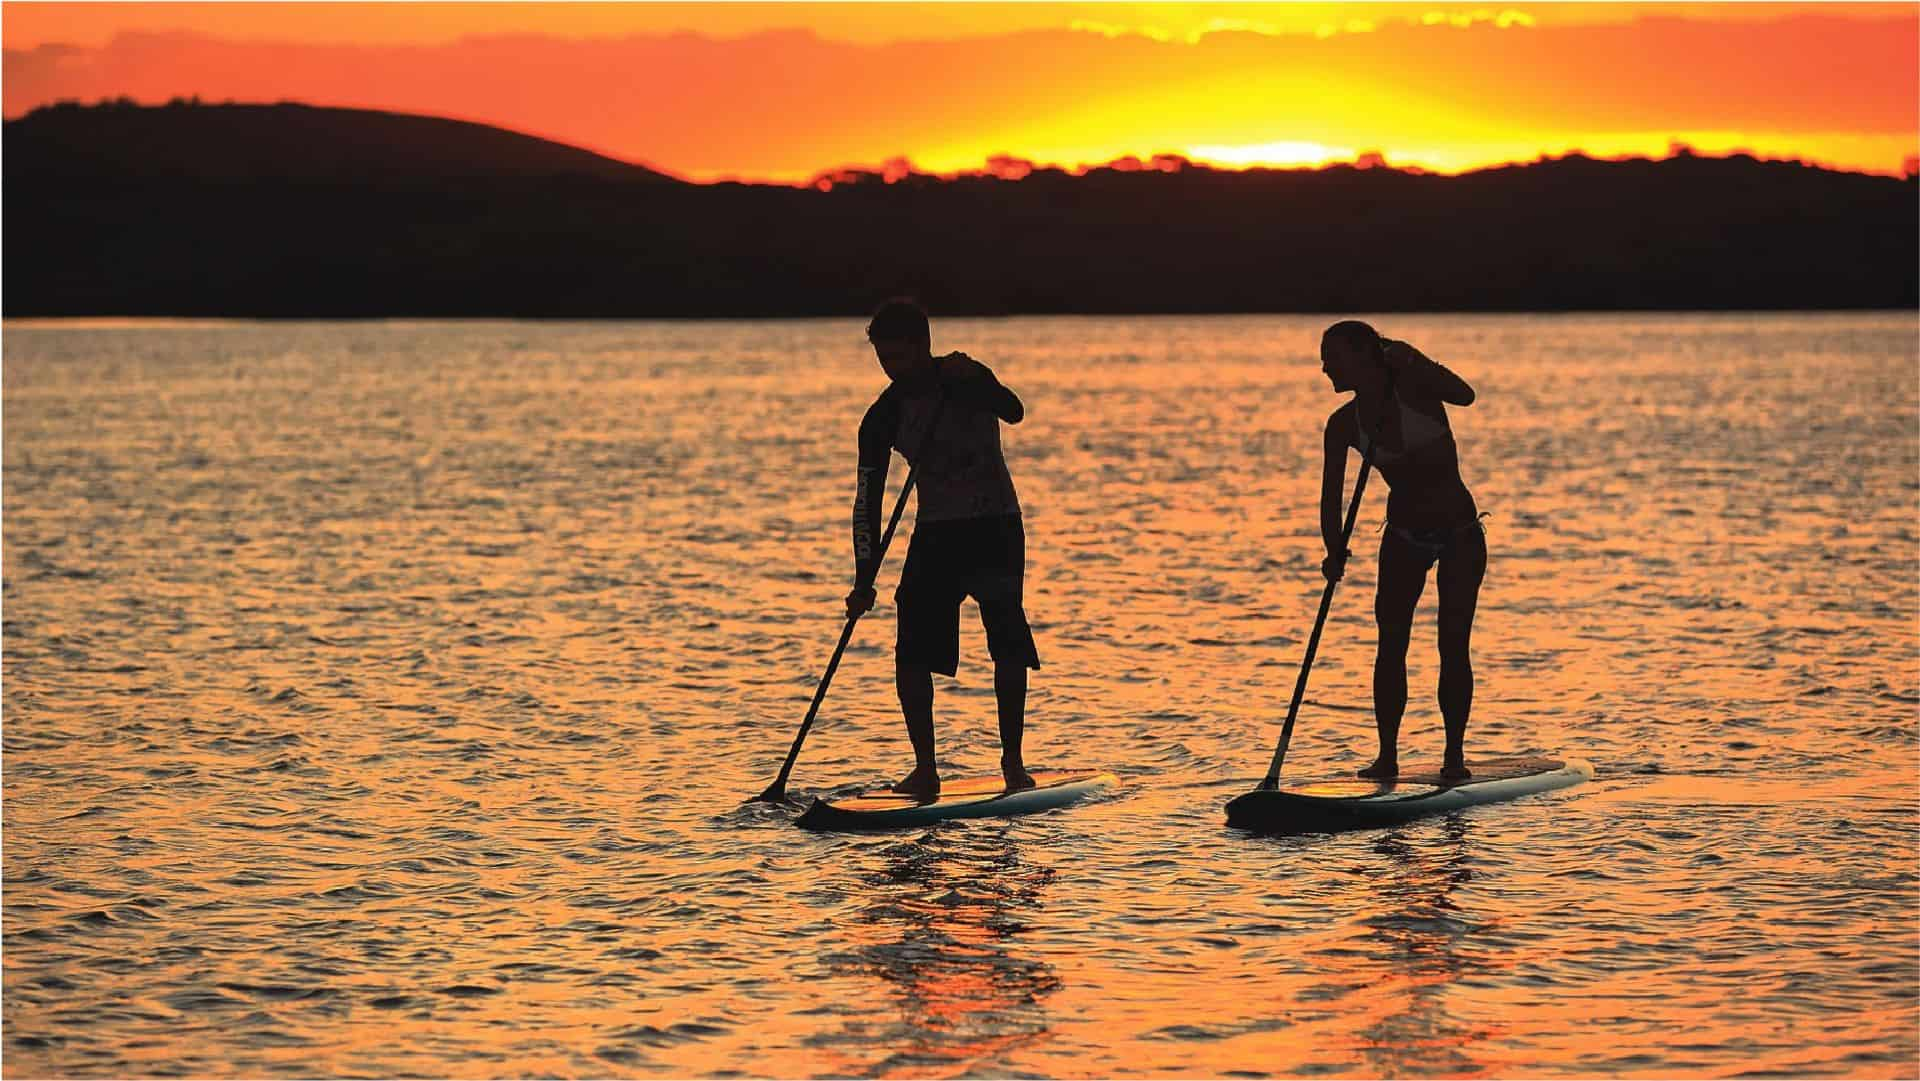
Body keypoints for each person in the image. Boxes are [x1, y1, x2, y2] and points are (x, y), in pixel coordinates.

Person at [847, 299, 1041, 798]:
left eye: (901, 357)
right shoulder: (883, 416)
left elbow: (1014, 412)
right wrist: (863, 577)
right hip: (937, 533)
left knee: (1007, 641)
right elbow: (867, 499)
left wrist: (978, 379)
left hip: (995, 525)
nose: (893, 369)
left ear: (923, 346)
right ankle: (925, 769)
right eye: (884, 360)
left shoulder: (964, 378)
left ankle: (1013, 763)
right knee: (910, 650)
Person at [1317, 320, 1484, 781]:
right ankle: (1387, 757)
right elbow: (1332, 496)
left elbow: (1466, 395)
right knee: (1390, 645)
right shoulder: (1343, 425)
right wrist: (1334, 549)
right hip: (1403, 537)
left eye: (1332, 357)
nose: (1325, 367)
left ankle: (1454, 758)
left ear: (1362, 357)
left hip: (1459, 535)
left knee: (1452, 644)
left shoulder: (1415, 388)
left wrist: (1414, 358)